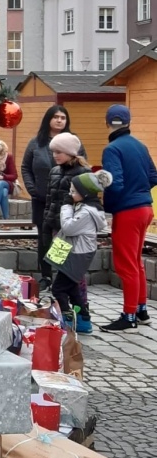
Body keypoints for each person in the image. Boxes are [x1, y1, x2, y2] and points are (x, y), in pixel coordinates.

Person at [100, 104, 157, 332]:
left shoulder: (112, 149)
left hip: (128, 212)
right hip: (145, 208)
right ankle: (141, 310)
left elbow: (115, 183)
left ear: (107, 123)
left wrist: (109, 207)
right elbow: (154, 175)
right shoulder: (140, 146)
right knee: (136, 263)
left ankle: (129, 315)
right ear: (128, 122)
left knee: (125, 265)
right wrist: (140, 192)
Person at [21, 105, 86, 289]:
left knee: (63, 236)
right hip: (41, 199)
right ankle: (46, 275)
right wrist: (32, 189)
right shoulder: (36, 143)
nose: (59, 120)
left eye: (63, 117)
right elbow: (26, 167)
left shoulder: (74, 142)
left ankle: (62, 275)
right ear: (48, 119)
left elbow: (83, 168)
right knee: (44, 237)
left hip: (65, 201)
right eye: (56, 117)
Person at [50, 170, 113, 331]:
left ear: (84, 193)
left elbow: (69, 228)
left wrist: (66, 206)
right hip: (73, 250)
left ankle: (67, 320)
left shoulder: (87, 212)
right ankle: (84, 320)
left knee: (58, 288)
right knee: (71, 287)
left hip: (77, 254)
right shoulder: (84, 206)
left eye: (73, 191)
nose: (70, 194)